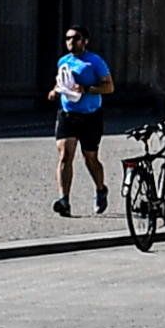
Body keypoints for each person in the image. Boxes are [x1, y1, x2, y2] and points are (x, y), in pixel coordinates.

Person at [48, 25, 114, 217]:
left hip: (91, 116)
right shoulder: (63, 61)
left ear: (85, 41)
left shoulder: (95, 61)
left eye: (75, 38)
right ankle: (64, 200)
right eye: (68, 38)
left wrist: (87, 89)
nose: (71, 42)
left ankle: (101, 189)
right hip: (67, 114)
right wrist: (55, 91)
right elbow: (62, 82)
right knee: (65, 155)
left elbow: (109, 87)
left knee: (90, 158)